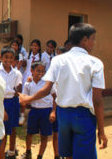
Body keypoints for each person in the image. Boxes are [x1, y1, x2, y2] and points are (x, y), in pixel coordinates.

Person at [20, 23, 108, 159]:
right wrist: (101, 131)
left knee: (68, 155)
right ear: (85, 40)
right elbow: (97, 100)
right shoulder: (95, 63)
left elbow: (46, 89)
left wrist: (27, 99)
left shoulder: (58, 60)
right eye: (93, 39)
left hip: (63, 115)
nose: (94, 43)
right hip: (83, 115)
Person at [20, 62, 56, 159]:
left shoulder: (47, 83)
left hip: (46, 111)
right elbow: (24, 97)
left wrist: (53, 111)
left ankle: (40, 156)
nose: (40, 73)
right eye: (38, 71)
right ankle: (28, 152)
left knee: (44, 136)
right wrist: (24, 106)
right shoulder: (28, 84)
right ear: (31, 71)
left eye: (42, 71)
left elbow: (55, 97)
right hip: (34, 110)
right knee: (29, 133)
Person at [0, 47, 22, 159]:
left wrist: (16, 92)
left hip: (13, 102)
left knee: (12, 128)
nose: (8, 60)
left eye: (11, 57)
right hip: (0, 101)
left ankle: (11, 152)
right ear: (0, 57)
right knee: (2, 131)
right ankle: (1, 156)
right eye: (6, 57)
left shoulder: (16, 73)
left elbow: (18, 90)